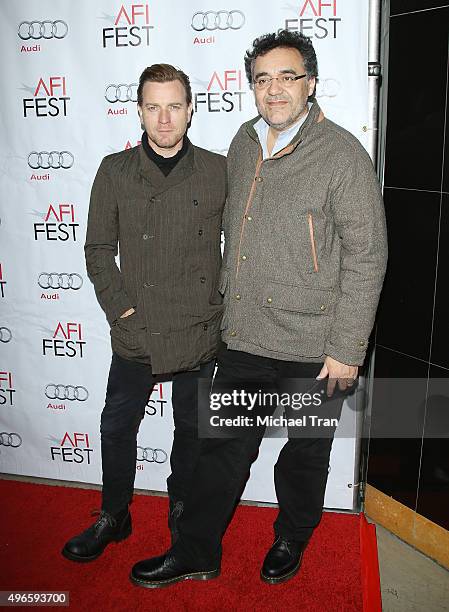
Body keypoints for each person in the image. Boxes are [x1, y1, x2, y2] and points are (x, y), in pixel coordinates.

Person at [130, 30, 388, 588]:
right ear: (252, 87)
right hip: (245, 337)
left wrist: (347, 350)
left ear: (310, 84)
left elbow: (368, 257)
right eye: (262, 78)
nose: (274, 89)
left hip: (316, 348)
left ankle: (292, 536)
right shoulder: (244, 143)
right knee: (220, 450)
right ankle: (196, 549)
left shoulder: (343, 155)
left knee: (305, 455)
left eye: (287, 76)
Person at [62, 64, 226, 562]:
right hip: (139, 326)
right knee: (115, 426)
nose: (163, 118)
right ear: (138, 111)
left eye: (174, 106)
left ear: (191, 110)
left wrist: (224, 303)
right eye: (152, 107)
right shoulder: (114, 170)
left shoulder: (218, 169)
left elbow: (241, 244)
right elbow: (96, 249)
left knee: (192, 429)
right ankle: (115, 514)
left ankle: (181, 506)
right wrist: (122, 310)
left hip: (198, 324)